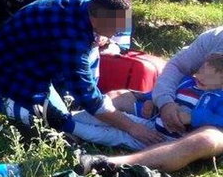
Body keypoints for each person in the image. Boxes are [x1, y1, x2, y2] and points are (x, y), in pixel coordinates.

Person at [0, 0, 165, 146]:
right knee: (52, 120)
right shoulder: (72, 38)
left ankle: (65, 98)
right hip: (12, 62)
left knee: (91, 57)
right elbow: (88, 95)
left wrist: (103, 36)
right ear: (95, 19)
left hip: (43, 49)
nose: (118, 32)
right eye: (115, 28)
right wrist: (132, 127)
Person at [77, 27, 223, 174]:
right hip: (161, 117)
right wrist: (164, 101)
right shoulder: (216, 37)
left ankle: (107, 164)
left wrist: (194, 118)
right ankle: (66, 121)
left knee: (205, 140)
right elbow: (178, 66)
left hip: (211, 126)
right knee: (118, 97)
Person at [69, 53, 223, 151]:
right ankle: (67, 116)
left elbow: (219, 120)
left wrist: (193, 118)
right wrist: (151, 100)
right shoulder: (187, 82)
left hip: (165, 141)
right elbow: (161, 92)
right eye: (201, 72)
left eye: (210, 78)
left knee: (115, 135)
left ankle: (68, 126)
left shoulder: (218, 98)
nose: (201, 78)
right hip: (151, 124)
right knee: (114, 116)